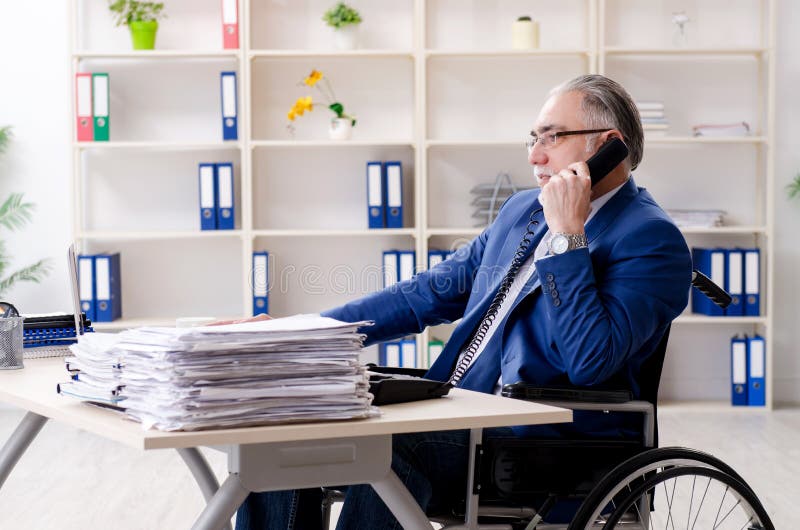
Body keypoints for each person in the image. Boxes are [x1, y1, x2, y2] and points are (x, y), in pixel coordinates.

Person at [234, 74, 693, 529]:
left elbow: (590, 360)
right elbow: (423, 295)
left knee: (390, 446)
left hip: (539, 440)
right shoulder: (523, 210)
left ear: (606, 144)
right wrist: (304, 332)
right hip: (458, 410)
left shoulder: (651, 239)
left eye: (552, 137)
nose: (536, 156)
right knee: (289, 421)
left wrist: (568, 238)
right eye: (533, 138)